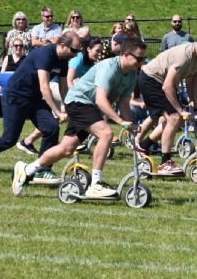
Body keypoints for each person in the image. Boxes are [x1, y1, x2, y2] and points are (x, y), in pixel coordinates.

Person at [12, 37, 147, 198]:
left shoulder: (132, 74)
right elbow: (101, 100)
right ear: (125, 54)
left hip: (89, 106)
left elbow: (124, 103)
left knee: (66, 148)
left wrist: (130, 124)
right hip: (79, 102)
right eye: (139, 58)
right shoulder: (109, 68)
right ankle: (95, 184)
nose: (142, 62)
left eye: (143, 58)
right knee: (106, 134)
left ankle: (27, 169)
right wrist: (120, 121)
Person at [0, 33, 81, 181]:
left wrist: (70, 109)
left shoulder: (64, 60)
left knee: (51, 127)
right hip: (16, 96)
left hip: (34, 99)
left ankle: (42, 170)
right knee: (8, 139)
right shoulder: (45, 54)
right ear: (63, 45)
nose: (76, 54)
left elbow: (64, 89)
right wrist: (58, 112)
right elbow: (44, 87)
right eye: (74, 50)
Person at [136, 33, 197, 175]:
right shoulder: (184, 56)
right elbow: (167, 86)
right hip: (151, 80)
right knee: (175, 117)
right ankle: (165, 163)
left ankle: (144, 146)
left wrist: (196, 108)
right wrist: (180, 110)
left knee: (178, 120)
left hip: (163, 83)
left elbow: (194, 82)